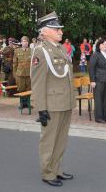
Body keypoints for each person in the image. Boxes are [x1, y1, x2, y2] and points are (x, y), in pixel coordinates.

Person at [31, 11, 76, 187]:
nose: (60, 32)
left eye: (59, 29)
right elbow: (38, 82)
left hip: (65, 102)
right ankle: (47, 173)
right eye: (56, 29)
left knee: (61, 139)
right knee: (49, 140)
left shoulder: (58, 49)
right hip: (51, 104)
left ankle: (56, 168)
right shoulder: (40, 51)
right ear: (44, 31)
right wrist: (41, 108)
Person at [89, 38, 106, 123]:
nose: (105, 46)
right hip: (99, 80)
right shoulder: (96, 55)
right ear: (99, 46)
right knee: (99, 99)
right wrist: (92, 80)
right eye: (103, 44)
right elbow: (91, 68)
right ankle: (99, 117)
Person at [13, 36, 32, 109]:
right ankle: (22, 104)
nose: (25, 43)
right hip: (20, 73)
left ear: (28, 43)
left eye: (26, 41)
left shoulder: (32, 50)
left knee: (29, 89)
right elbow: (15, 63)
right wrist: (14, 74)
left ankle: (28, 103)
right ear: (21, 43)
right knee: (21, 89)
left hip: (29, 73)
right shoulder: (17, 51)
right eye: (23, 41)